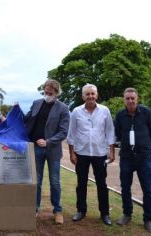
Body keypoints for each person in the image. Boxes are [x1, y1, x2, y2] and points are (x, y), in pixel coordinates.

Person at [67, 84, 115, 226]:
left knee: (102, 184)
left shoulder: (105, 110)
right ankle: (81, 210)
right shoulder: (76, 111)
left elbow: (110, 131)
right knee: (81, 184)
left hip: (100, 153)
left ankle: (105, 213)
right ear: (83, 96)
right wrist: (71, 153)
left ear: (97, 95)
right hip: (81, 153)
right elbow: (71, 133)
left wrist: (112, 151)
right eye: (87, 94)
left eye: (92, 94)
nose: (90, 96)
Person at [25, 79, 70, 224]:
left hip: (52, 150)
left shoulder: (63, 108)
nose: (47, 95)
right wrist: (15, 114)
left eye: (50, 93)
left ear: (57, 93)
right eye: (45, 92)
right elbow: (28, 119)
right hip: (36, 148)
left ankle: (57, 210)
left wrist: (48, 141)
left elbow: (63, 132)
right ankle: (35, 209)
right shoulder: (36, 103)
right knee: (36, 181)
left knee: (55, 182)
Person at [114, 88, 151, 233]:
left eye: (133, 98)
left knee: (148, 188)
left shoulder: (147, 113)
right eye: (128, 98)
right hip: (126, 157)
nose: (130, 101)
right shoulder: (120, 116)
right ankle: (127, 214)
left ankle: (148, 219)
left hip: (144, 157)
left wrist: (142, 144)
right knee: (125, 187)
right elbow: (118, 134)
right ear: (124, 100)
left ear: (137, 99)